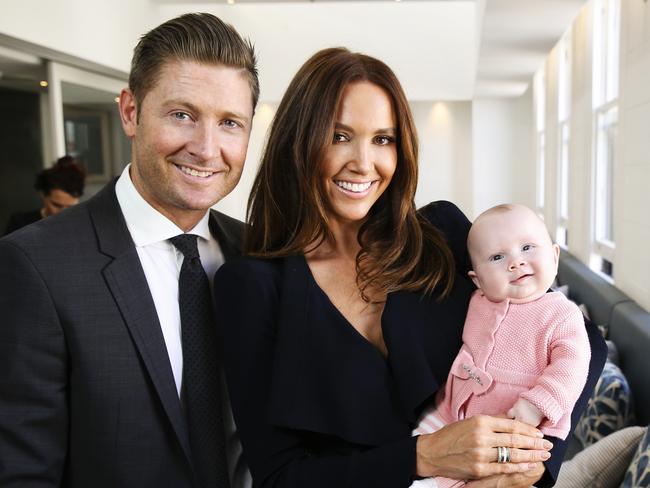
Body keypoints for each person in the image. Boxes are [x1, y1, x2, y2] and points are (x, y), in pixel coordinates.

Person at [213, 47, 606, 488]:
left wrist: (535, 465)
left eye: (383, 139)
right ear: (298, 141)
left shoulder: (441, 234)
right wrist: (426, 456)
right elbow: (279, 477)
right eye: (339, 136)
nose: (364, 163)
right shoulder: (253, 288)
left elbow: (580, 338)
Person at [0, 13, 258, 488]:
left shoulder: (260, 254)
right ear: (130, 112)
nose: (206, 148)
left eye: (230, 123)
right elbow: (21, 472)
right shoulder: (35, 265)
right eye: (182, 115)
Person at [412, 203, 591, 488]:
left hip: (521, 430)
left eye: (528, 247)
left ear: (554, 258)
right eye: (497, 256)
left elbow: (573, 364)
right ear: (477, 280)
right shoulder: (477, 302)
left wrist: (537, 405)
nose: (515, 262)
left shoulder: (561, 314)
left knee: (499, 474)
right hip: (453, 412)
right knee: (419, 444)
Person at [4, 155, 86, 235]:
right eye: (57, 205)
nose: (63, 213)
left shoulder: (83, 225)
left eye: (70, 207)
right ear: (43, 195)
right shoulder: (20, 224)